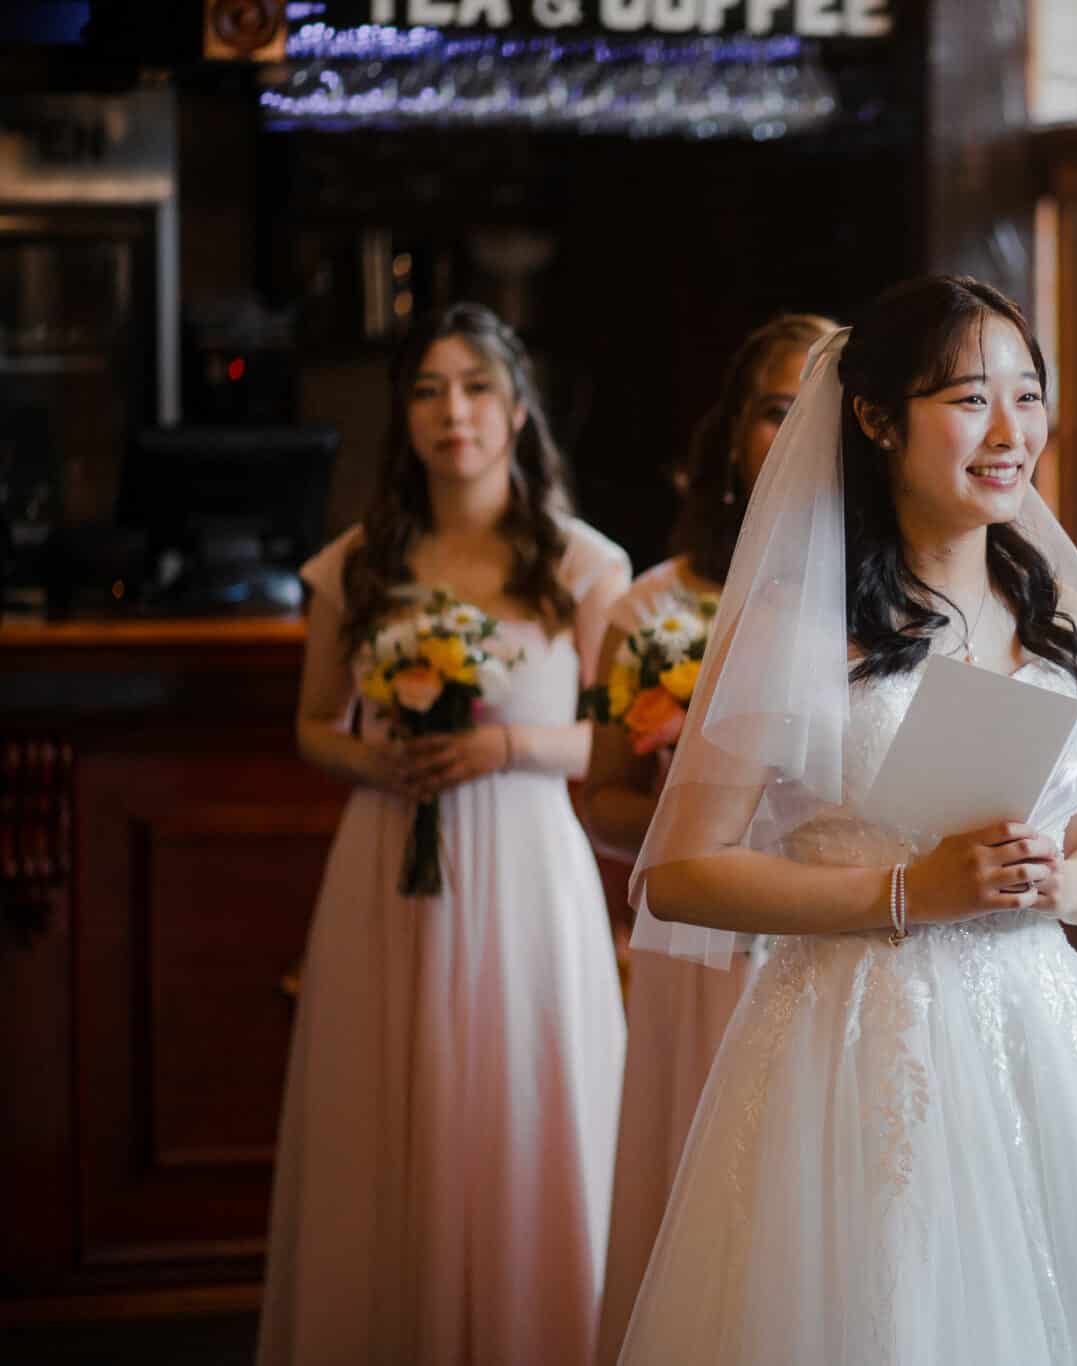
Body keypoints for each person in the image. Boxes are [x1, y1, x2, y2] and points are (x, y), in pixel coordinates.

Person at [615, 276, 1077, 1364]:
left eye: (1027, 396)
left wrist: (1056, 884)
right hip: (853, 1030)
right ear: (878, 419)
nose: (1009, 431)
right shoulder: (798, 624)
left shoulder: (1057, 618)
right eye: (969, 398)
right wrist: (902, 893)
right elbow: (679, 874)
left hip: (1033, 1020)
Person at [261, 302, 630, 1366]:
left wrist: (502, 750)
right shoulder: (357, 562)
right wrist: (379, 759)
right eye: (426, 390)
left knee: (524, 1097)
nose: (449, 411)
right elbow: (312, 724)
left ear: (516, 411)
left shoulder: (580, 563)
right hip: (386, 860)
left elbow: (607, 741)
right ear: (404, 417)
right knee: (385, 1100)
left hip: (526, 862)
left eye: (473, 387)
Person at [584, 311, 836, 1366]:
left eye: (822, 407)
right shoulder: (651, 607)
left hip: (832, 938)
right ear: (734, 437)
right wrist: (704, 802)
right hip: (697, 953)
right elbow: (598, 800)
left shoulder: (893, 608)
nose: (800, 430)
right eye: (778, 408)